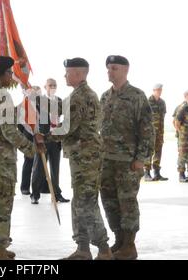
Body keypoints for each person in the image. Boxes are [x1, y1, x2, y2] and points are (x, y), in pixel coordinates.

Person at [0, 55, 41, 260]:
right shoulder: (1, 95)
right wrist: (32, 149)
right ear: (1, 74)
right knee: (2, 208)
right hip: (0, 161)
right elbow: (9, 132)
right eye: (9, 73)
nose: (11, 76)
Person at [45, 58, 111, 260]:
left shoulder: (79, 97)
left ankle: (102, 248)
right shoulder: (87, 95)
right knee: (82, 201)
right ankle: (84, 248)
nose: (65, 76)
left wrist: (44, 137)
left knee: (85, 202)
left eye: (68, 72)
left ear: (79, 74)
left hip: (85, 157)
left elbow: (67, 128)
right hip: (85, 155)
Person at [100, 55, 154, 260]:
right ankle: (119, 240)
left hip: (128, 161)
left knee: (127, 202)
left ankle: (130, 245)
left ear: (125, 70)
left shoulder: (137, 96)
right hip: (106, 160)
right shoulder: (105, 96)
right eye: (108, 68)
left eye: (114, 68)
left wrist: (141, 158)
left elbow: (147, 130)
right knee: (109, 202)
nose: (109, 71)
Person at [30, 80, 69, 204]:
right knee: (39, 167)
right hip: (43, 137)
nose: (52, 87)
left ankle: (56, 194)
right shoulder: (40, 100)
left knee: (55, 168)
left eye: (54, 85)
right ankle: (35, 194)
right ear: (45, 87)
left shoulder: (59, 100)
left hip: (56, 138)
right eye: (50, 85)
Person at [144, 84, 168, 181]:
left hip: (160, 131)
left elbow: (163, 116)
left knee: (158, 151)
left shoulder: (162, 102)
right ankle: (146, 172)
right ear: (153, 90)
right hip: (150, 131)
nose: (159, 91)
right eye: (157, 90)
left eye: (160, 90)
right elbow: (143, 116)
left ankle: (157, 172)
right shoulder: (147, 101)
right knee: (149, 151)